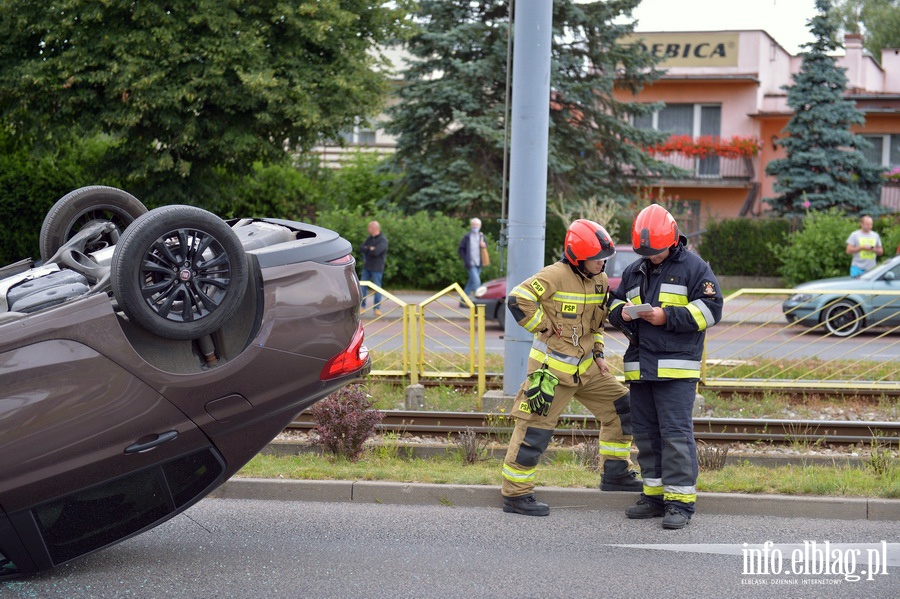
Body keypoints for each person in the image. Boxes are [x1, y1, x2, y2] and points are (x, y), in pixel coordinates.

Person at [500, 219, 642, 517]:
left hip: (589, 369)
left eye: (605, 259)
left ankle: (615, 473)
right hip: (551, 372)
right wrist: (542, 326)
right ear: (578, 257)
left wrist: (600, 352)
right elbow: (518, 299)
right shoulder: (554, 275)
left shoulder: (600, 280)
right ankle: (516, 494)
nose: (603, 265)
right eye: (597, 260)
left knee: (623, 408)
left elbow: (596, 323)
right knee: (534, 430)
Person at [607, 204, 723, 530]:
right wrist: (623, 314)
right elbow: (612, 305)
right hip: (641, 369)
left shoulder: (694, 268)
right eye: (648, 253)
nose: (653, 257)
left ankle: (680, 504)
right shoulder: (634, 269)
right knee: (646, 436)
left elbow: (711, 310)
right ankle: (654, 497)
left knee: (674, 436)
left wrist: (666, 317)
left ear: (672, 240)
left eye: (657, 252)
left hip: (676, 371)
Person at [359, 221, 388, 316]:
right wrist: (369, 248)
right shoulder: (369, 239)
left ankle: (377, 308)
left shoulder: (383, 240)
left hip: (377, 268)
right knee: (362, 287)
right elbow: (361, 248)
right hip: (367, 267)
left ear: (374, 228)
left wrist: (369, 250)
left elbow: (376, 252)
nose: (368, 230)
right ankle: (362, 307)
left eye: (369, 228)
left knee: (377, 288)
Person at [458, 218, 487, 302]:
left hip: (479, 263)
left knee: (471, 282)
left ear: (480, 226)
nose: (475, 226)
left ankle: (463, 300)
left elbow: (485, 247)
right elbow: (461, 249)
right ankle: (478, 301)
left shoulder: (482, 236)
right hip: (470, 264)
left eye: (476, 225)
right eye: (473, 225)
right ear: (471, 226)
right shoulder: (467, 237)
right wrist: (466, 259)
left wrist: (484, 245)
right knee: (476, 282)